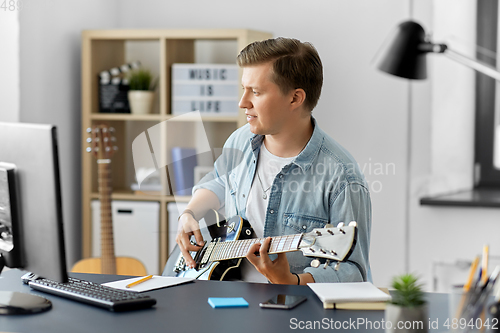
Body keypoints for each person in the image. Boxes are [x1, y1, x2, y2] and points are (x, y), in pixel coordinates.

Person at [176, 37, 372, 284]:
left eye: (255, 92)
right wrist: (189, 214)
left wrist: (292, 281)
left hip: (294, 314)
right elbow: (219, 180)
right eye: (243, 89)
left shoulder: (342, 176)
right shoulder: (239, 140)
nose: (242, 102)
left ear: (295, 98)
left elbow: (354, 271)